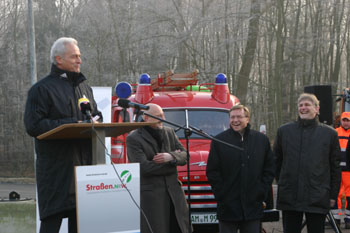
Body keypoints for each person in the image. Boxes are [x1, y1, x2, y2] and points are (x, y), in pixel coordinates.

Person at [24, 37, 102, 233]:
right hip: (57, 172)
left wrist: (96, 120)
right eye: (74, 56)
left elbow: (95, 114)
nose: (79, 60)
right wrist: (70, 124)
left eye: (80, 56)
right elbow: (33, 126)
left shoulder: (84, 87)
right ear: (58, 59)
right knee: (51, 225)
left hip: (84, 169)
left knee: (81, 224)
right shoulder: (41, 89)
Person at [274, 93, 341, 233]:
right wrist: (283, 182)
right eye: (300, 105)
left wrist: (333, 195)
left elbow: (335, 167)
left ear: (317, 109)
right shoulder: (284, 131)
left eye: (307, 105)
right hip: (290, 196)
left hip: (318, 196)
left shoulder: (330, 134)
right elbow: (276, 162)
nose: (303, 108)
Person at [206, 104, 275, 233]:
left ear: (247, 119)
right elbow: (212, 172)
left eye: (239, 117)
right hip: (228, 207)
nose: (235, 120)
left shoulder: (261, 140)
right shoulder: (219, 141)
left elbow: (269, 169)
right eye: (232, 117)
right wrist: (222, 195)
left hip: (253, 206)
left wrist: (261, 191)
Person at [126, 103, 191, 233]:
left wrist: (170, 156)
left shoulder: (169, 132)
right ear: (146, 118)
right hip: (153, 197)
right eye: (158, 116)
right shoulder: (133, 138)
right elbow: (144, 167)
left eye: (162, 115)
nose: (163, 119)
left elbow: (185, 155)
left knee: (179, 228)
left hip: (175, 195)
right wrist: (172, 164)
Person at [331, 112, 350, 228]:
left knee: (349, 194)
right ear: (341, 120)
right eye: (344, 120)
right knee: (335, 193)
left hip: (349, 170)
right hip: (337, 169)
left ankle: (348, 219)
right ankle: (336, 219)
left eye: (348, 120)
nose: (346, 122)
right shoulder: (335, 132)